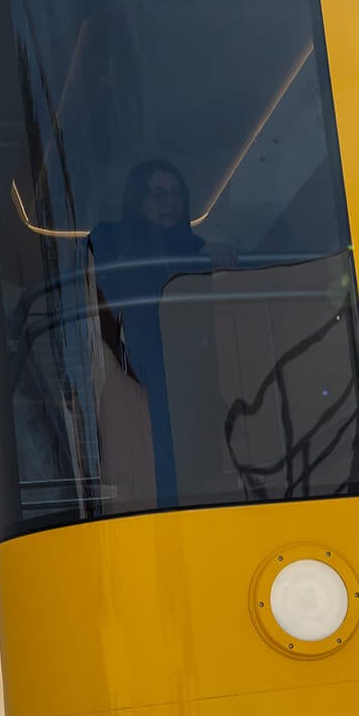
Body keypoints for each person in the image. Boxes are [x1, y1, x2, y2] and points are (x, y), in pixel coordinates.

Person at [86, 161, 235, 507]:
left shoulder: (196, 247)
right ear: (138, 199)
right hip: (134, 368)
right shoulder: (110, 240)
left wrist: (215, 257)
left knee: (193, 457)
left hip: (190, 368)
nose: (170, 201)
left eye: (177, 193)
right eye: (159, 193)